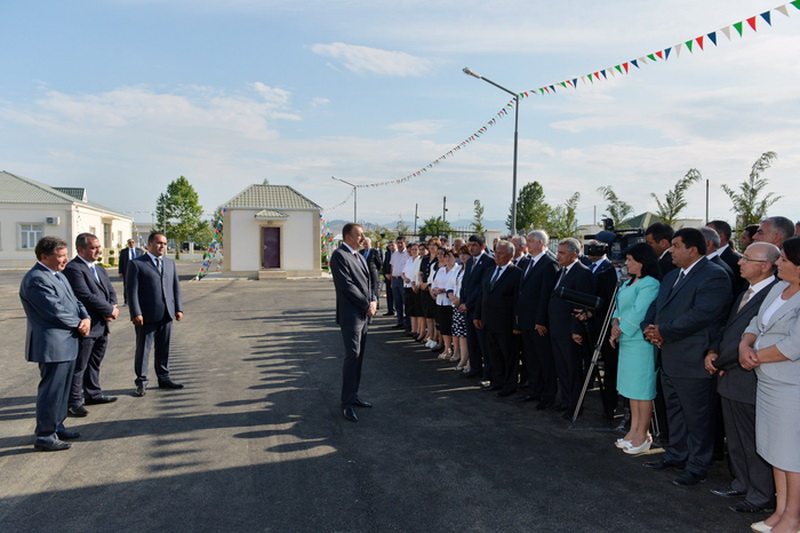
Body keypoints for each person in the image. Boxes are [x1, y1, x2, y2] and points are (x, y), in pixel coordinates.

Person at [641, 227, 731, 486]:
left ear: (693, 250)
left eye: (676, 246)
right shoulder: (672, 276)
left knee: (697, 416)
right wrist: (649, 329)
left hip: (693, 358)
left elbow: (703, 314)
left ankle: (698, 465)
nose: (671, 250)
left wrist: (664, 332)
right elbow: (657, 306)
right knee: (676, 412)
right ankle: (676, 454)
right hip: (670, 355)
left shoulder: (714, 275)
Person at [704, 242, 780, 514]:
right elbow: (729, 327)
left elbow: (757, 337)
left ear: (765, 266)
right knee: (734, 436)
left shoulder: (775, 293)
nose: (740, 262)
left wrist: (722, 360)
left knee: (751, 439)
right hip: (729, 374)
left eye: (747, 259)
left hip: (748, 377)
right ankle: (741, 482)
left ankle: (760, 494)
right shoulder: (747, 291)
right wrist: (713, 350)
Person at [739, 237, 800, 533]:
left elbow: (794, 345)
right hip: (767, 382)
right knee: (775, 449)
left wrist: (754, 357)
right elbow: (754, 323)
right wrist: (745, 345)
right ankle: (780, 511)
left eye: (785, 260)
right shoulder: (778, 288)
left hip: (791, 388)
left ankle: (793, 518)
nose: (778, 264)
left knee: (792, 454)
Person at [19, 236, 91, 451]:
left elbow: (75, 301)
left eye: (66, 255)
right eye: (60, 256)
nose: (65, 260)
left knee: (62, 391)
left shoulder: (57, 275)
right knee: (51, 392)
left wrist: (85, 317)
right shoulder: (36, 279)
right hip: (52, 345)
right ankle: (44, 436)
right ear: (44, 256)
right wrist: (80, 323)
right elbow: (54, 311)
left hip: (67, 342)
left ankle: (57, 426)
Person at [609, 243, 661, 454]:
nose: (626, 263)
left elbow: (640, 311)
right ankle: (633, 431)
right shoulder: (629, 282)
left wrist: (620, 329)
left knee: (643, 390)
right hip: (627, 342)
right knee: (631, 389)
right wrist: (614, 324)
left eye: (630, 260)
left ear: (643, 261)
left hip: (641, 342)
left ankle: (643, 434)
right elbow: (619, 307)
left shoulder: (650, 283)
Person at [62, 233, 119, 417]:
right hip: (86, 324)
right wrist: (109, 311)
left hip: (102, 324)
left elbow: (110, 290)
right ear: (81, 250)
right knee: (80, 365)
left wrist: (113, 305)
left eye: (98, 247)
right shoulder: (74, 268)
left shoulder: (99, 268)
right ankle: (73, 402)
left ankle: (93, 394)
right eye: (93, 248)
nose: (97, 250)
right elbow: (84, 296)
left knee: (94, 362)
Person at [329, 223, 377, 423]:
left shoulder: (359, 256)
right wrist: (366, 303)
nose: (362, 237)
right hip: (352, 315)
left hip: (364, 314)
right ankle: (346, 403)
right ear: (348, 237)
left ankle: (353, 394)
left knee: (359, 357)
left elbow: (370, 282)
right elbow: (346, 285)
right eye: (359, 234)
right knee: (352, 356)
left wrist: (374, 300)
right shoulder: (340, 256)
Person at [127, 232, 184, 397]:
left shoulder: (169, 263)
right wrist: (136, 312)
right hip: (146, 316)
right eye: (159, 243)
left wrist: (178, 309)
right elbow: (132, 292)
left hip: (166, 313)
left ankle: (164, 378)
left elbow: (175, 287)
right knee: (143, 349)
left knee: (163, 348)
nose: (162, 246)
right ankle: (141, 381)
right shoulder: (137, 264)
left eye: (165, 244)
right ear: (150, 244)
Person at [548, 238, 594, 417]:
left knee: (573, 368)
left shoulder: (583, 273)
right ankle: (566, 400)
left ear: (574, 254)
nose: (558, 256)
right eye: (558, 252)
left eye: (562, 253)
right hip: (557, 327)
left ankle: (575, 405)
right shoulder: (563, 271)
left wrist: (577, 329)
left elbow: (581, 304)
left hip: (570, 330)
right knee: (562, 368)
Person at [514, 230, 560, 409]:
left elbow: (546, 294)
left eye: (531, 241)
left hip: (539, 322)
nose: (528, 245)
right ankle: (534, 390)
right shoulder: (528, 262)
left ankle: (548, 395)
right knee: (530, 358)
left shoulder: (549, 263)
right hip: (526, 319)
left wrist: (541, 320)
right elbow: (522, 290)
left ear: (540, 243)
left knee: (544, 359)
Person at [474, 240, 522, 397]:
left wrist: (516, 324)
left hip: (506, 323)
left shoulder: (516, 273)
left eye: (501, 253)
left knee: (508, 355)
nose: (497, 255)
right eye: (496, 252)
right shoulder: (489, 271)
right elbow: (482, 295)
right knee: (493, 353)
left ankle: (510, 384)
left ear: (510, 255)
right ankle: (497, 381)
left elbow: (517, 301)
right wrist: (477, 315)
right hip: (489, 321)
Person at [459, 235, 494, 379]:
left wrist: (468, 303)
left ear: (483, 246)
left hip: (478, 308)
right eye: (470, 244)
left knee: (483, 343)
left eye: (474, 245)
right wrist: (462, 300)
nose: (471, 247)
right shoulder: (470, 261)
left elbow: (481, 287)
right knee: (472, 341)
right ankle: (475, 368)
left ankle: (488, 373)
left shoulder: (488, 262)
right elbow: (465, 284)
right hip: (467, 308)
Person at [431, 248, 460, 360]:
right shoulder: (441, 270)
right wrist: (435, 290)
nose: (447, 259)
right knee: (443, 326)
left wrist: (443, 290)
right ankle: (447, 348)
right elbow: (434, 283)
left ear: (455, 258)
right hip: (440, 301)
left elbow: (455, 286)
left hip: (450, 302)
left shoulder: (458, 270)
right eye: (446, 257)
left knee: (452, 327)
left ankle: (456, 350)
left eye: (450, 257)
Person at [450, 246, 471, 371]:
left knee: (467, 335)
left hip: (465, 305)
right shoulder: (460, 270)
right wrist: (452, 296)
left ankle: (469, 360)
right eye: (461, 254)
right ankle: (463, 358)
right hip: (456, 305)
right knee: (460, 335)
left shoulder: (470, 269)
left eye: (466, 254)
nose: (463, 256)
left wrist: (461, 300)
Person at [389, 237, 410, 330]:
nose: (400, 244)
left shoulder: (408, 254)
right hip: (395, 279)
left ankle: (408, 323)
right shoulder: (394, 254)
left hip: (403, 280)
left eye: (401, 242)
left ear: (405, 243)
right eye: (398, 243)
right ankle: (400, 321)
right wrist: (391, 281)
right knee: (397, 302)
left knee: (405, 302)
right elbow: (392, 266)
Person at [118, 238, 143, 305]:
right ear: (128, 244)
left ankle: (138, 300)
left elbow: (143, 261)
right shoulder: (124, 252)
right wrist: (120, 272)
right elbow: (121, 262)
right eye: (129, 242)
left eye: (132, 242)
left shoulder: (139, 251)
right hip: (127, 271)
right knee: (126, 286)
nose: (131, 244)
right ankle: (126, 301)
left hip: (138, 271)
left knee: (139, 285)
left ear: (134, 243)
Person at [360, 237, 382, 309]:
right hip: (363, 274)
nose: (365, 245)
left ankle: (376, 304)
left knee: (374, 289)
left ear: (370, 244)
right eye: (364, 244)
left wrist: (375, 270)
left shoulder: (374, 251)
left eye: (367, 244)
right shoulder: (361, 252)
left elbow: (379, 263)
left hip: (373, 273)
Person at [382, 241, 395, 316]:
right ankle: (390, 310)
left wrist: (392, 274)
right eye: (390, 246)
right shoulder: (388, 254)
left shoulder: (397, 254)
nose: (391, 247)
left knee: (396, 295)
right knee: (389, 294)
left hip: (395, 276)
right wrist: (385, 274)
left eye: (392, 245)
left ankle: (396, 310)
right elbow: (385, 265)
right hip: (388, 277)